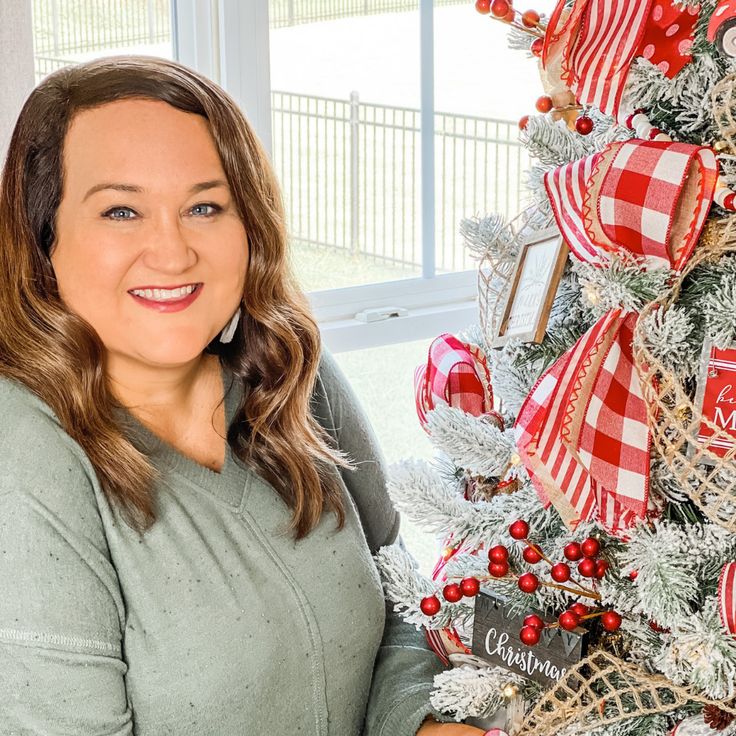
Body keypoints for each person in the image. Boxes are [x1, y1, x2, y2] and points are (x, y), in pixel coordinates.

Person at [0, 56, 487, 735]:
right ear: (44, 238)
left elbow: (399, 585)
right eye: (121, 210)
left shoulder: (288, 370)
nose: (171, 253)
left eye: (205, 206)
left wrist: (422, 721)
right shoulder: (21, 458)